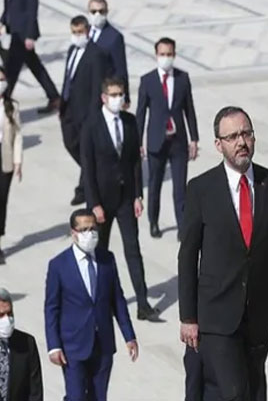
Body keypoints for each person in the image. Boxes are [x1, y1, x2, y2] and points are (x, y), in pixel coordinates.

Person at [178, 106, 268, 401]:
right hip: (216, 316)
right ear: (219, 145)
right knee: (234, 392)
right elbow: (188, 257)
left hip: (258, 314)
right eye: (232, 137)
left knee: (256, 391)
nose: (241, 142)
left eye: (246, 133)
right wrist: (188, 316)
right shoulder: (201, 189)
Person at [80, 77, 160, 322]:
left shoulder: (130, 121)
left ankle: (142, 302)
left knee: (133, 250)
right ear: (104, 97)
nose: (119, 99)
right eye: (114, 95)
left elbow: (135, 161)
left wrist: (137, 194)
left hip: (126, 198)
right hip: (101, 201)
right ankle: (99, 300)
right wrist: (94, 205)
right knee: (99, 252)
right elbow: (88, 168)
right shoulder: (91, 125)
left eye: (121, 94)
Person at [44, 209, 138, 401]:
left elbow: (117, 300)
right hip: (73, 346)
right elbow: (51, 308)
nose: (90, 233)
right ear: (73, 232)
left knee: (99, 396)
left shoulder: (107, 260)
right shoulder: (59, 265)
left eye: (93, 228)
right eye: (84, 229)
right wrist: (54, 346)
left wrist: (129, 336)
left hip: (102, 344)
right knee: (76, 396)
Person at [136, 37, 199, 239]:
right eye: (162, 54)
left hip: (178, 141)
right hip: (156, 141)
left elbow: (189, 110)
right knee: (154, 185)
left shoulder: (182, 78)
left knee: (180, 187)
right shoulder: (147, 81)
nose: (166, 58)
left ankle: (182, 226)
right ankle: (153, 221)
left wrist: (194, 139)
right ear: (156, 55)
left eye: (169, 54)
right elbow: (140, 114)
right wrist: (138, 142)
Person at [59, 15, 108, 206]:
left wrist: (93, 114)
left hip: (86, 111)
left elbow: (97, 87)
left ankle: (85, 187)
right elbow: (68, 77)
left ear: (87, 31)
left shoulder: (96, 55)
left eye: (80, 32)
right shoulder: (72, 50)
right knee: (71, 143)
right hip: (69, 107)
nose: (77, 36)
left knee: (85, 150)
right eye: (74, 32)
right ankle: (93, 172)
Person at [0, 0, 60, 113]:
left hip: (22, 33)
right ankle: (54, 97)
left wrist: (30, 35)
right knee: (34, 65)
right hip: (14, 29)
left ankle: (5, 101)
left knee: (11, 69)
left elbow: (32, 8)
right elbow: (9, 2)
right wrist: (2, 21)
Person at [86, 0, 131, 106]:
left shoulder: (114, 37)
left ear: (106, 12)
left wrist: (125, 96)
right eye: (93, 11)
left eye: (101, 11)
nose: (97, 15)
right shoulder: (84, 32)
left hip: (103, 92)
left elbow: (120, 68)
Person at [0, 287, 42, 401]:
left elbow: (35, 391)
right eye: (1, 315)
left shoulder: (27, 343)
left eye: (9, 314)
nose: (7, 320)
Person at [0, 67, 22, 264]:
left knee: (1, 201)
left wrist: (18, 161)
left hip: (4, 159)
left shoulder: (11, 107)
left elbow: (17, 136)